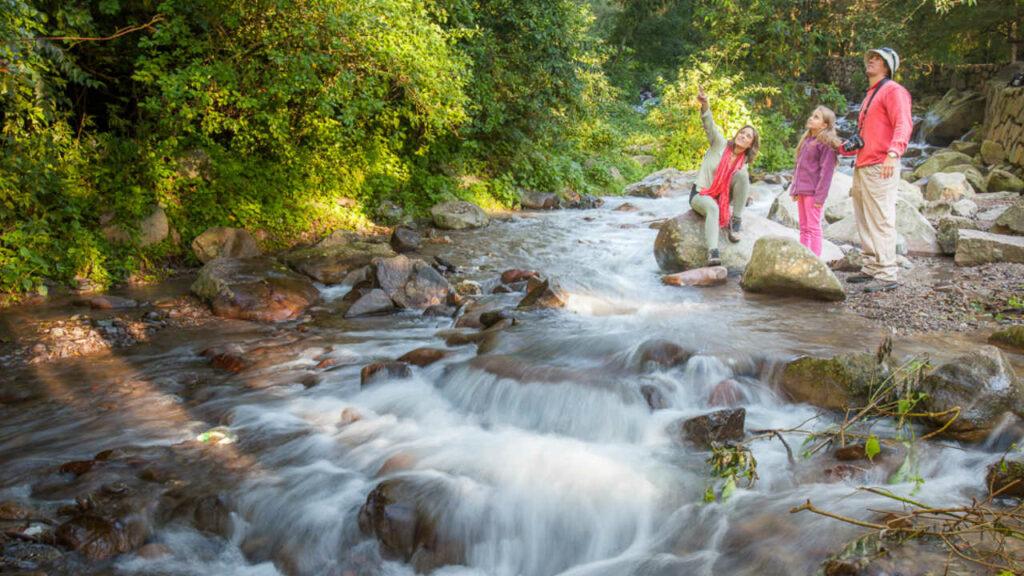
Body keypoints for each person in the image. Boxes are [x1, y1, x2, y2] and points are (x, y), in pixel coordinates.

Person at [842, 47, 912, 293]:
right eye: (870, 57)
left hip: (881, 163)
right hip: (864, 162)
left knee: (881, 217)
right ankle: (871, 265)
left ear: (888, 66)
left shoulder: (893, 90)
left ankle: (886, 272)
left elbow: (903, 122)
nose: (871, 60)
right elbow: (867, 133)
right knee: (864, 216)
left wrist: (894, 153)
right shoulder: (872, 93)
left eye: (878, 58)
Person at [690, 85, 759, 266]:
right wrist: (705, 105)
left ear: (751, 145)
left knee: (743, 176)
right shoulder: (719, 143)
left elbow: (740, 184)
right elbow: (709, 125)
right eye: (742, 133)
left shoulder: (743, 162)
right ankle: (713, 252)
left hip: (722, 197)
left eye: (748, 136)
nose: (743, 136)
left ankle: (736, 220)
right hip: (702, 193)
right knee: (712, 208)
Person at [790, 106, 841, 257]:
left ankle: (815, 259)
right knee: (803, 227)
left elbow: (826, 173)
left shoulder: (825, 144)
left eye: (816, 117)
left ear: (824, 125)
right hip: (803, 190)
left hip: (813, 193)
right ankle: (804, 256)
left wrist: (820, 197)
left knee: (814, 227)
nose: (811, 118)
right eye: (812, 115)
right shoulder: (807, 140)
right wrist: (794, 188)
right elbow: (799, 167)